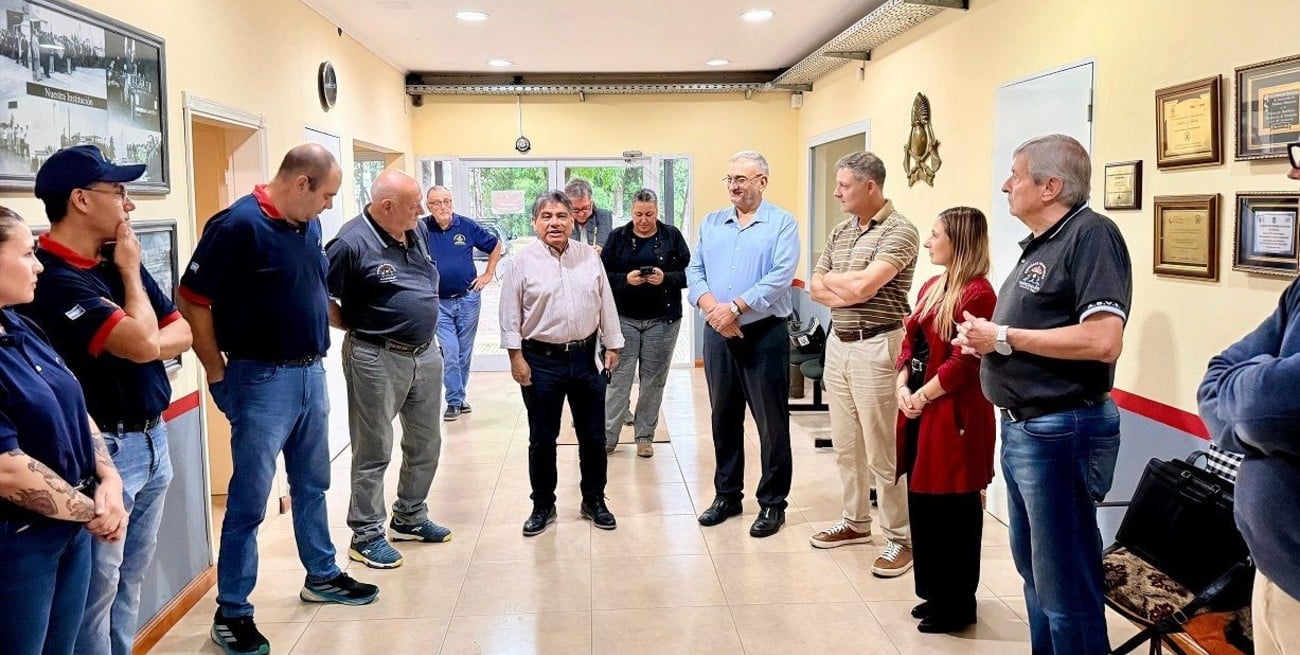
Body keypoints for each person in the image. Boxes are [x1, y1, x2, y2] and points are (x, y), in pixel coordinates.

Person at [179, 144, 379, 655]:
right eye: (328, 194)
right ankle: (234, 611)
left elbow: (308, 290)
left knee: (313, 483)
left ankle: (322, 574)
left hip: (312, 372)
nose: (331, 206)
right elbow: (192, 300)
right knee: (248, 500)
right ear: (301, 183)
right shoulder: (236, 226)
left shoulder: (306, 225)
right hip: (260, 379)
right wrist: (216, 371)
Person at [955, 133, 1131, 655]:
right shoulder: (1044, 243)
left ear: (1051, 185)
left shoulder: (1092, 236)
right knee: (1035, 573)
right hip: (1025, 428)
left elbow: (1103, 340)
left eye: (1016, 174)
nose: (1006, 184)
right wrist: (988, 339)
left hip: (1063, 429)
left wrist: (1004, 337)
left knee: (1065, 584)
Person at [19, 145, 192, 655]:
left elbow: (178, 332)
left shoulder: (112, 262)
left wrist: (145, 337)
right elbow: (144, 343)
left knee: (128, 585)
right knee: (94, 595)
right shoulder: (51, 278)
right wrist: (135, 279)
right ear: (80, 199)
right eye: (118, 192)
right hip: (104, 454)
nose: (129, 205)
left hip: (152, 439)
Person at [0, 205, 127, 655]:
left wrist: (108, 478)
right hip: (20, 542)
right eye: (27, 254)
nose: (38, 266)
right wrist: (94, 510)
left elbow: (74, 404)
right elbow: (8, 470)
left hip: (70, 528)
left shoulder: (21, 325)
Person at [1196, 154, 1300, 655]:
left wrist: (1250, 403)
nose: (1292, 173)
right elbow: (1217, 377)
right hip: (1278, 570)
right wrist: (1252, 402)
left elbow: (1260, 407)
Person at [327, 170, 451, 570]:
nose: (422, 211)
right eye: (414, 205)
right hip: (375, 356)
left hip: (425, 354)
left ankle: (410, 516)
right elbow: (320, 296)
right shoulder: (350, 243)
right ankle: (365, 535)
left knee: (426, 441)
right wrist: (357, 324)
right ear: (386, 207)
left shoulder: (413, 230)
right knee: (374, 447)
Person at [807, 151, 920, 577]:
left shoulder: (900, 231)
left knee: (882, 448)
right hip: (839, 343)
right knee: (846, 444)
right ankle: (855, 521)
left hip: (879, 346)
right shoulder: (841, 230)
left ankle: (900, 537)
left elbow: (865, 286)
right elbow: (818, 286)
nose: (836, 193)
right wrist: (846, 288)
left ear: (870, 186)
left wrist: (846, 286)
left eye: (844, 186)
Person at [687, 150, 799, 538]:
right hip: (718, 335)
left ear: (762, 182)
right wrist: (714, 311)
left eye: (742, 179)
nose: (734, 186)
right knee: (723, 417)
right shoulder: (712, 222)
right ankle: (727, 495)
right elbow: (694, 269)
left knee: (771, 423)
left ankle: (772, 503)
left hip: (764, 335)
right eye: (730, 178)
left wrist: (735, 308)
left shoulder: (782, 223)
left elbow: (780, 275)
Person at [894, 207, 996, 633]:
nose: (928, 242)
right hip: (920, 409)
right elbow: (910, 341)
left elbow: (962, 364)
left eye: (935, 235)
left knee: (953, 510)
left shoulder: (978, 293)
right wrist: (902, 385)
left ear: (959, 241)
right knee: (924, 505)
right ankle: (935, 595)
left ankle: (956, 605)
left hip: (953, 416)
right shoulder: (934, 285)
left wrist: (920, 395)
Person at [500, 190, 623, 536]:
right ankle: (543, 505)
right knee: (542, 437)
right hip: (540, 362)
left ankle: (594, 500)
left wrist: (612, 343)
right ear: (535, 222)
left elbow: (605, 302)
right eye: (547, 216)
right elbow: (510, 314)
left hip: (586, 360)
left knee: (594, 436)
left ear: (573, 220)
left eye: (561, 216)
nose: (555, 223)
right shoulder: (521, 262)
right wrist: (516, 357)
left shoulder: (589, 257)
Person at [600, 188, 691, 458]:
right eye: (638, 214)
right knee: (618, 380)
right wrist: (625, 280)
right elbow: (602, 276)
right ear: (631, 212)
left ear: (657, 211)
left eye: (649, 214)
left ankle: (644, 436)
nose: (643, 220)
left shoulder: (671, 236)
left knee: (653, 381)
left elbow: (690, 274)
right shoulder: (618, 237)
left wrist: (667, 278)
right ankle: (608, 437)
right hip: (623, 320)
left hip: (663, 321)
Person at [423, 185, 501, 422]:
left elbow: (495, 245)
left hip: (468, 299)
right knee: (450, 351)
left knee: (464, 353)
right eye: (437, 202)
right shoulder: (421, 229)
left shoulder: (466, 226)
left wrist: (488, 274)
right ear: (429, 206)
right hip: (438, 303)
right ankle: (454, 401)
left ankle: (459, 396)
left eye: (447, 201)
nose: (443, 207)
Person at [565, 177, 613, 252]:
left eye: (585, 208)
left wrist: (604, 252)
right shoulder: (563, 220)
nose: (581, 214)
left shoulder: (604, 216)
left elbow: (615, 251)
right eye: (575, 209)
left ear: (591, 202)